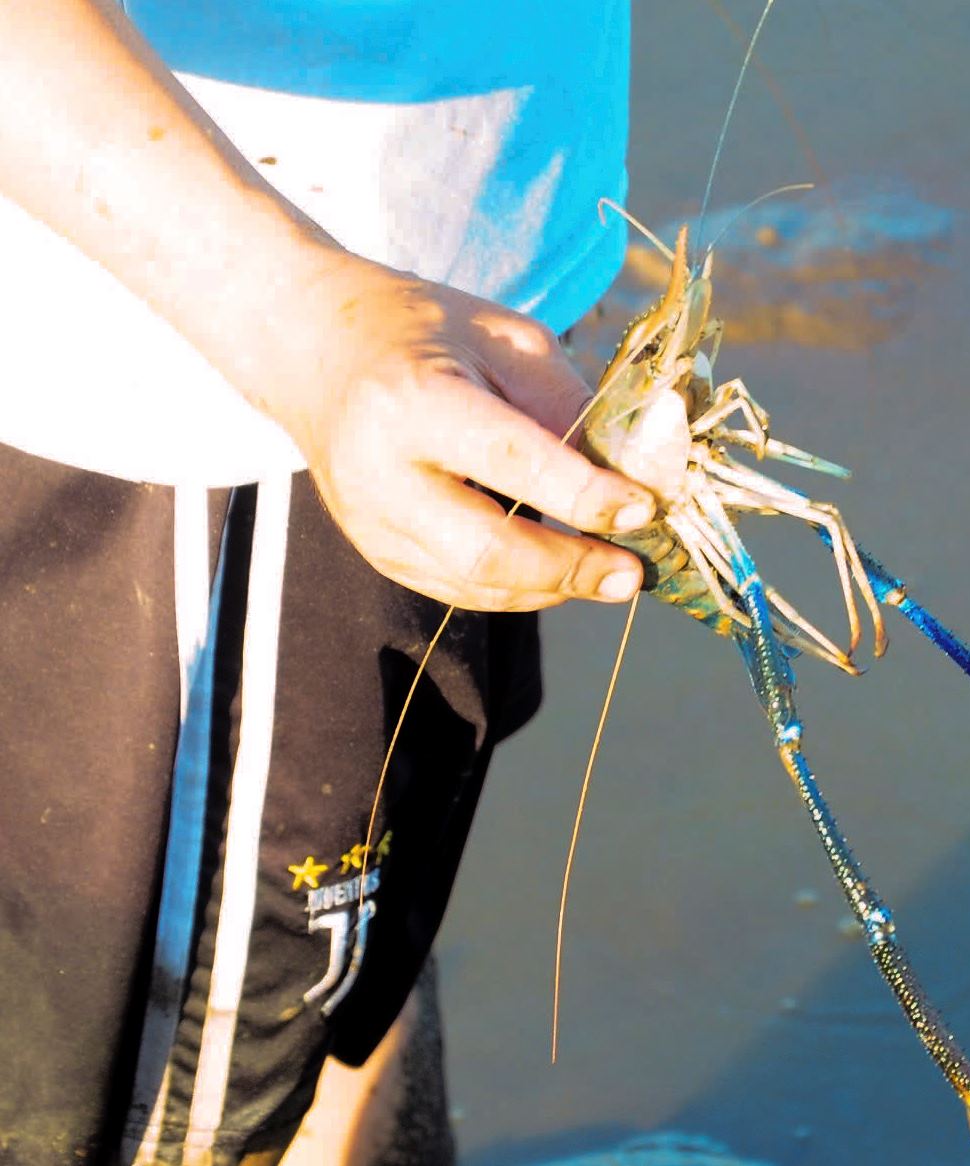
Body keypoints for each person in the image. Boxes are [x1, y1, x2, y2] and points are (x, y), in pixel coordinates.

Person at [0, 1, 649, 1162]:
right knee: (174, 1103)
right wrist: (303, 323)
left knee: (353, 930)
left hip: (450, 306)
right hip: (205, 372)